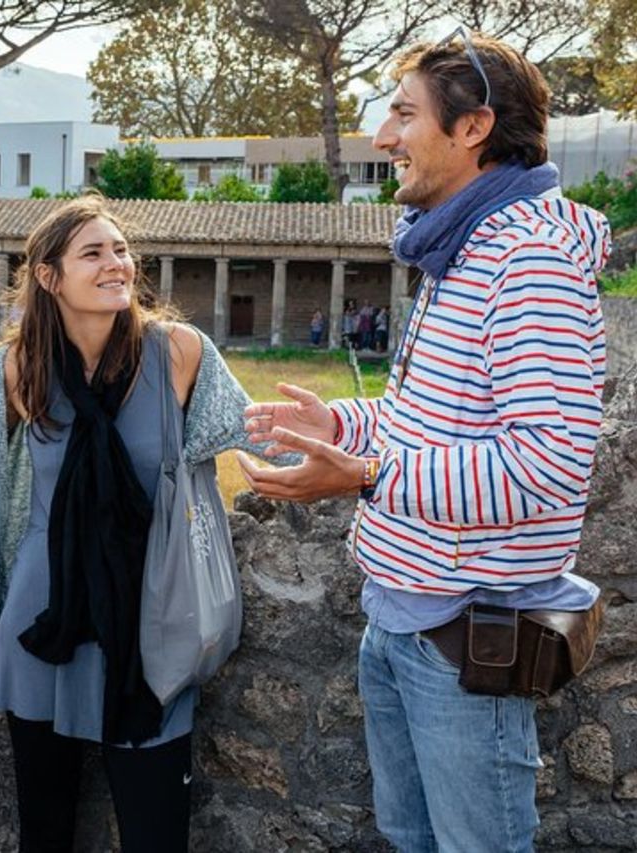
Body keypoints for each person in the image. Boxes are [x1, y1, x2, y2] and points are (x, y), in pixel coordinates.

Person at [237, 31, 609, 853]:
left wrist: (366, 476)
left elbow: (546, 465)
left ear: (473, 128)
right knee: (411, 839)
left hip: (463, 642)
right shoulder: (464, 249)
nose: (383, 136)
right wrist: (340, 425)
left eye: (404, 113)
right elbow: (429, 417)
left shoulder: (529, 259)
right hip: (404, 624)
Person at [0, 195, 283, 852]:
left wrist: (362, 465)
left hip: (150, 622)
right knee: (45, 834)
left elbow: (257, 430)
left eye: (121, 250)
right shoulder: (19, 368)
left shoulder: (178, 354)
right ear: (50, 276)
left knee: (156, 833)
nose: (116, 264)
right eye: (94, 253)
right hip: (44, 626)